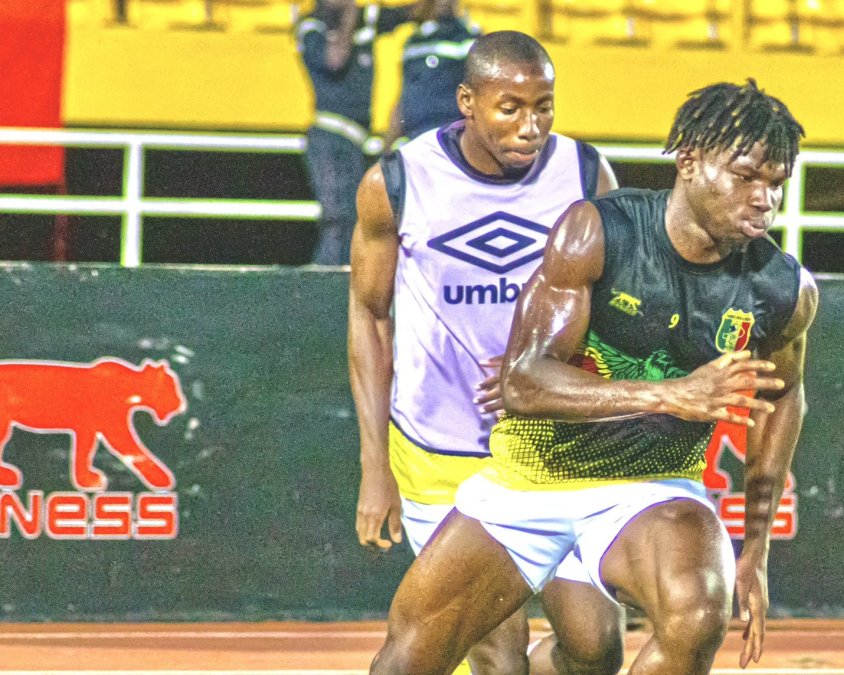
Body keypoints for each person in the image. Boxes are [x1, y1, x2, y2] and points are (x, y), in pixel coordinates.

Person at [370, 79, 817, 673]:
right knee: (407, 661)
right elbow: (523, 382)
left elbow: (783, 399)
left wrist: (755, 550)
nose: (764, 200)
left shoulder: (782, 289)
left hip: (652, 488)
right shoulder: (601, 232)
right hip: (532, 478)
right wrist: (669, 395)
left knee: (696, 613)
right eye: (745, 177)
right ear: (688, 161)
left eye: (776, 184)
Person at [349, 31, 625, 675]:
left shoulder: (585, 173)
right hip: (440, 452)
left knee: (596, 648)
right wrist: (373, 464)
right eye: (511, 108)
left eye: (544, 107)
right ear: (467, 102)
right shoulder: (399, 181)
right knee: (497, 654)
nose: (531, 126)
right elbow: (370, 316)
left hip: (552, 446)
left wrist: (551, 367)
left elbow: (617, 307)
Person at [297, 0, 436, 265]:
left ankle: (344, 278)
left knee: (354, 219)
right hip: (330, 136)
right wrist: (351, 14)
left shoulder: (368, 18)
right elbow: (335, 60)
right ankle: (323, 279)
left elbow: (409, 14)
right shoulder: (311, 26)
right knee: (337, 219)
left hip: (357, 141)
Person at [382, 0, 480, 151]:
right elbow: (404, 95)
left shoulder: (467, 38)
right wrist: (387, 145)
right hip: (414, 137)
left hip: (450, 138)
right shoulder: (412, 41)